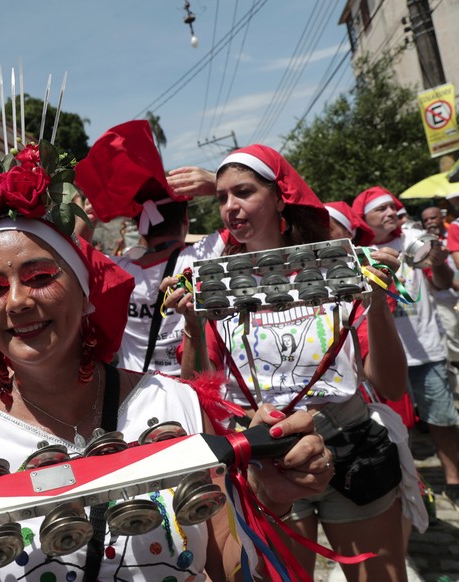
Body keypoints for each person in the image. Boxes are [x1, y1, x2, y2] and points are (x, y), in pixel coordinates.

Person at [0, 141, 333, 581]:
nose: (19, 302)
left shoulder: (172, 404)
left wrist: (272, 501)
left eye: (41, 276)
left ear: (87, 291)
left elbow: (230, 565)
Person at [166, 146, 411, 581]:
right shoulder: (212, 283)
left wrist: (376, 303)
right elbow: (197, 394)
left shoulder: (337, 270)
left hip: (352, 447)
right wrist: (190, 322)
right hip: (268, 458)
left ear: (279, 197)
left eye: (243, 192)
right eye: (221, 197)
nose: (229, 207)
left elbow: (390, 385)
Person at [76, 120, 211, 374]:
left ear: (140, 227)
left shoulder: (119, 272)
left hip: (134, 394)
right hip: (191, 394)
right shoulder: (203, 258)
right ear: (185, 220)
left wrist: (89, 217)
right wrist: (215, 184)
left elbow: (72, 254)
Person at [354, 187, 459, 508]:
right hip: (385, 358)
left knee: (441, 419)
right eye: (380, 209)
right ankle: (410, 485)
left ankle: (453, 479)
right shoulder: (358, 251)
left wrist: (439, 262)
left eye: (392, 206)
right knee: (396, 430)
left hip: (426, 349)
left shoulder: (415, 237)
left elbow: (441, 283)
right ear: (365, 219)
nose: (390, 213)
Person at [422, 205, 459, 366]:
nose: (430, 222)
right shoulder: (423, 244)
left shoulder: (453, 234)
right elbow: (431, 276)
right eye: (426, 220)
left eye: (433, 218)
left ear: (442, 218)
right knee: (453, 337)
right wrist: (454, 284)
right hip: (443, 300)